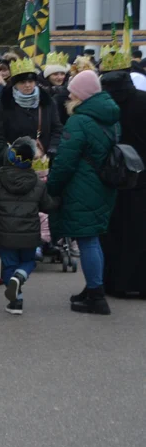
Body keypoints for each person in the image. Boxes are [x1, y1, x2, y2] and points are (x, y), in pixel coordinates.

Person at [48, 69, 120, 315]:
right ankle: (92, 288)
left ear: (82, 94)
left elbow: (65, 161)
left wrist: (53, 187)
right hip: (102, 185)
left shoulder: (79, 120)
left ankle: (97, 297)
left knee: (87, 239)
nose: (68, 93)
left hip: (82, 187)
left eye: (73, 90)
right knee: (93, 238)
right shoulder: (110, 116)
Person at [0, 137, 59, 314]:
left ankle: (17, 301)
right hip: (29, 234)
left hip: (4, 232)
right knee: (28, 261)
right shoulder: (38, 184)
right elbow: (47, 206)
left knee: (9, 266)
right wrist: (60, 200)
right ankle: (21, 275)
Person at [99, 62, 146, 297]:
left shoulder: (105, 106)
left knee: (115, 231)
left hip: (114, 175)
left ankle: (116, 283)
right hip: (143, 176)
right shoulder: (143, 100)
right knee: (141, 231)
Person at [0, 58, 61, 156]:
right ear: (15, 84)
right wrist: (6, 153)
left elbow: (57, 128)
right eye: (22, 82)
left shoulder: (47, 101)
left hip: (42, 158)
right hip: (14, 159)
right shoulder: (4, 103)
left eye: (30, 81)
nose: (27, 85)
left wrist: (53, 148)